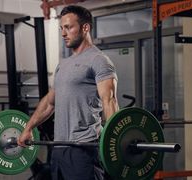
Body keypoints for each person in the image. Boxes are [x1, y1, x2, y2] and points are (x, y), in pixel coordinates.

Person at [17, 5, 119, 180]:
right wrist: (28, 128)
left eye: (68, 27)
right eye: (61, 28)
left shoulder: (99, 60)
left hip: (83, 149)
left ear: (85, 27)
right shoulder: (63, 64)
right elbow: (50, 102)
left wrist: (114, 143)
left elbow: (109, 100)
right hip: (59, 148)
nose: (63, 33)